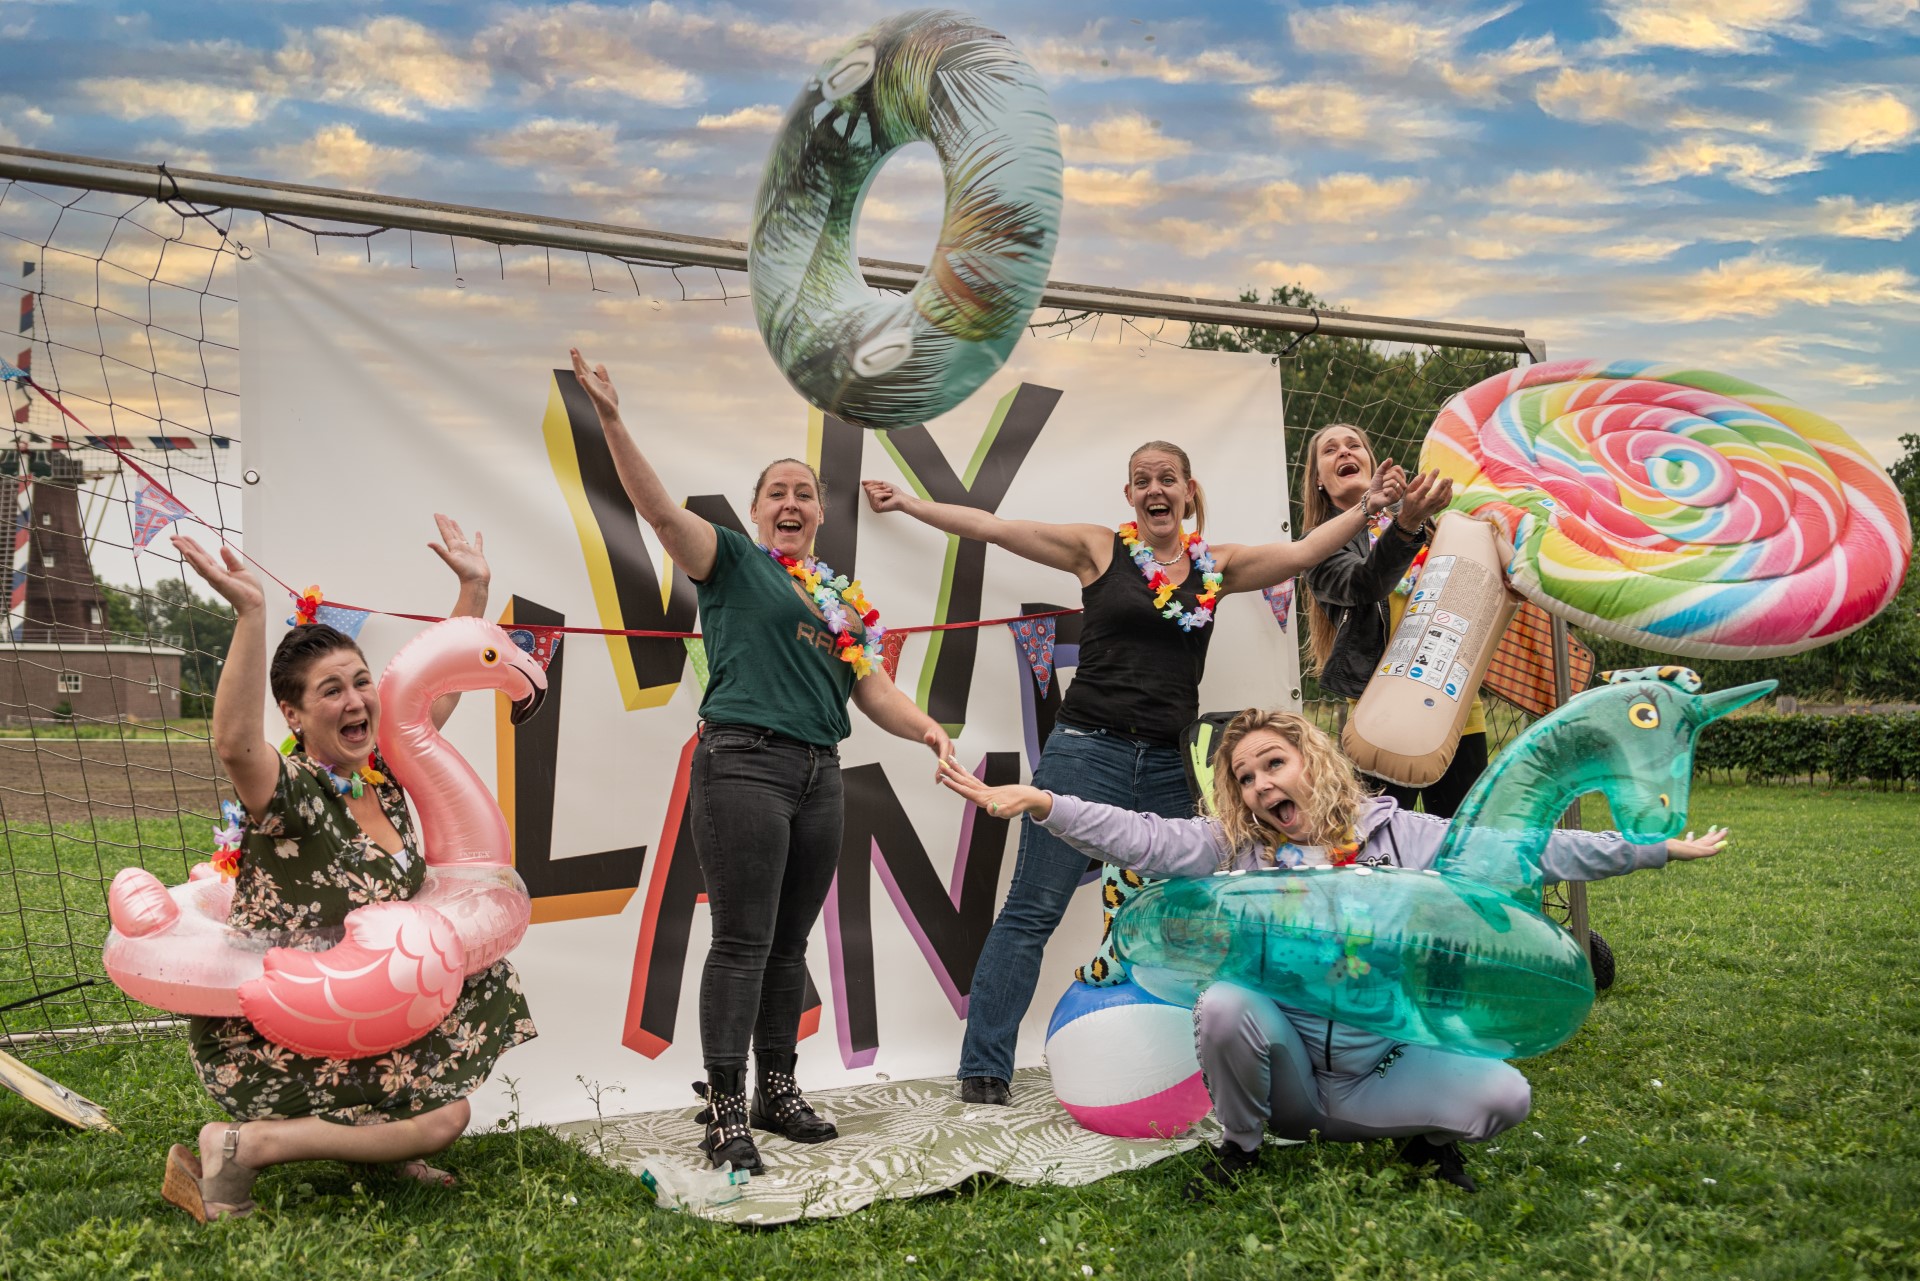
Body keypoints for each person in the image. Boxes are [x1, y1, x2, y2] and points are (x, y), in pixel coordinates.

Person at [932, 708, 1728, 1193]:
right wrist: (1045, 802)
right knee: (1224, 1004)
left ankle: (1425, 1141)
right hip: (1288, 1077)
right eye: (1244, 776)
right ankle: (1242, 1148)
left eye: (1272, 763)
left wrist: (1650, 849)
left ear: (1310, 760)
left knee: (1506, 1096)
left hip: (1385, 1065)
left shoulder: (1399, 834)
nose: (1259, 785)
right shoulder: (1231, 848)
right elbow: (1142, 835)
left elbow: (1520, 850)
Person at [863, 441, 1402, 1106]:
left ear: (1187, 490)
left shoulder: (1215, 566)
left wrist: (1369, 507)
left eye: (1167, 478)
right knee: (1033, 908)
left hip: (1171, 764)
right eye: (1142, 480)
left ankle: (1201, 1063)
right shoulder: (1098, 549)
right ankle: (985, 1068)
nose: (1155, 489)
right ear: (1129, 495)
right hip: (1085, 752)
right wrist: (907, 503)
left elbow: (1302, 552)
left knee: (1193, 915)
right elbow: (993, 528)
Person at [567, 348, 952, 1175]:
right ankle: (726, 1110)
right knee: (742, 940)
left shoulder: (841, 601)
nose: (791, 502)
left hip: (821, 774)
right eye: (777, 491)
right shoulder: (734, 562)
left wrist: (927, 729)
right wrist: (612, 418)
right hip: (743, 763)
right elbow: (659, 512)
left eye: (803, 493)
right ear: (755, 510)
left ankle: (778, 1090)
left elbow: (874, 691)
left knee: (788, 944)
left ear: (819, 515)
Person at [163, 515, 534, 1223]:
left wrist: (475, 589)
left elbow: (436, 690)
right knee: (445, 1119)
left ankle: (382, 1135)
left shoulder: (380, 776)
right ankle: (241, 1145)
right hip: (284, 1030)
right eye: (331, 690)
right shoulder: (293, 794)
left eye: (362, 681)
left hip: (371, 1011)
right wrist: (250, 614)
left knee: (442, 1082)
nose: (356, 700)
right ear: (294, 715)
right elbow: (236, 745)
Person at [1298, 422, 1478, 816]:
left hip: (1453, 701)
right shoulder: (1317, 544)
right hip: (1380, 713)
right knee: (1379, 844)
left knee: (1463, 839)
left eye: (1354, 445)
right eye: (1330, 449)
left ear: (1372, 463)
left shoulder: (1426, 522)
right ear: (1318, 482)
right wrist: (1406, 525)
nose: (1344, 452)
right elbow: (1365, 584)